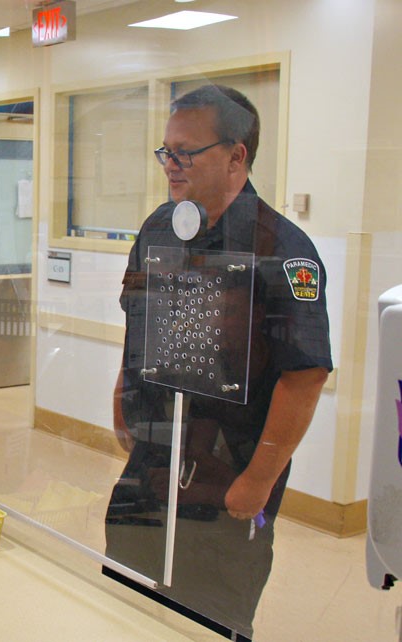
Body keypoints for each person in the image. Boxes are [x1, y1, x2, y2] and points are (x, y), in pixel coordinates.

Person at [104, 85, 332, 640]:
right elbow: (140, 322)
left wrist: (258, 479)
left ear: (237, 156)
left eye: (185, 152)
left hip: (231, 464)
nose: (170, 166)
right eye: (165, 151)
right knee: (123, 592)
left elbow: (304, 376)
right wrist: (121, 400)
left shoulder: (283, 249)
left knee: (209, 612)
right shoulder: (160, 228)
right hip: (155, 453)